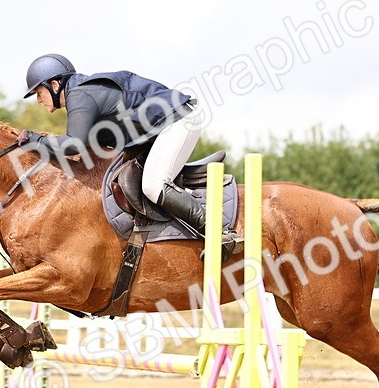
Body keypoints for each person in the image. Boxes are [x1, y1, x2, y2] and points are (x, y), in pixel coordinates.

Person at [19, 53, 240, 256]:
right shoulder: (82, 93)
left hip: (177, 122)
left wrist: (34, 140)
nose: (39, 100)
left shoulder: (80, 94)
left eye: (39, 92)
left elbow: (74, 143)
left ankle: (219, 231)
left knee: (153, 187)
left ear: (55, 85)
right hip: (159, 130)